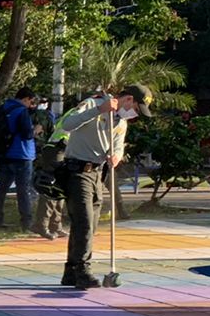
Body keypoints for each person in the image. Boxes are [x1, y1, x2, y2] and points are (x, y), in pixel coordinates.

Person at [56, 84, 152, 289]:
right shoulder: (94, 104)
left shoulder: (121, 122)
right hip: (77, 171)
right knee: (84, 221)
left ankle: (71, 270)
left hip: (98, 173)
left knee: (89, 224)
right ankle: (83, 270)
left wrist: (116, 156)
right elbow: (67, 124)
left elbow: (118, 144)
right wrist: (99, 110)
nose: (134, 114)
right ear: (127, 100)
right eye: (136, 107)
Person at [0, 89, 38, 230]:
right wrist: (36, 130)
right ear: (26, 99)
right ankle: (26, 222)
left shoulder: (4, 108)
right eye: (31, 101)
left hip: (4, 154)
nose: (31, 105)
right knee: (23, 189)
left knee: (2, 187)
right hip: (21, 154)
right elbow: (27, 134)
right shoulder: (21, 111)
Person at [30, 99, 65, 239]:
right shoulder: (86, 114)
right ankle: (41, 225)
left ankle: (55, 225)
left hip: (60, 150)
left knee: (60, 189)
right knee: (52, 188)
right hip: (57, 150)